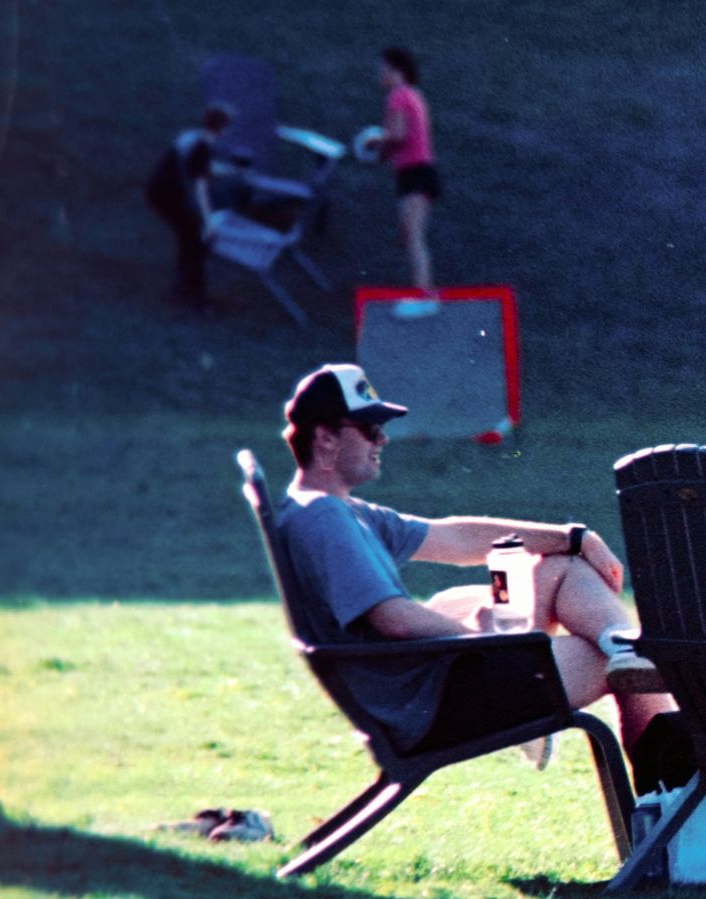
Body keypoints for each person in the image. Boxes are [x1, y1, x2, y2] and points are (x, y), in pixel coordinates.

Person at [274, 363, 670, 763]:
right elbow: (395, 619)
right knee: (613, 667)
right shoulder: (324, 517)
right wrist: (488, 643)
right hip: (428, 705)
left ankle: (624, 645)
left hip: (423, 692)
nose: (383, 438)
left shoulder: (333, 510)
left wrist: (573, 537)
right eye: (368, 428)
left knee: (561, 567)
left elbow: (454, 537)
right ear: (325, 438)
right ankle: (665, 788)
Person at [369, 47, 440, 316]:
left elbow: (398, 135)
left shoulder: (397, 96)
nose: (379, 73)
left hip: (415, 173)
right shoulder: (413, 95)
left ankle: (425, 296)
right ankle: (421, 290)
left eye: (382, 68)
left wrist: (378, 148)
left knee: (413, 236)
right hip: (416, 173)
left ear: (395, 70)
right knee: (408, 233)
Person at [144, 101, 233, 312]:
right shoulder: (202, 146)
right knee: (197, 240)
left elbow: (197, 166)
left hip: (157, 191)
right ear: (223, 128)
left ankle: (181, 289)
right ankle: (198, 300)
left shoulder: (192, 136)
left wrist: (229, 171)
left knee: (188, 238)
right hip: (167, 197)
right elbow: (200, 188)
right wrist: (209, 221)